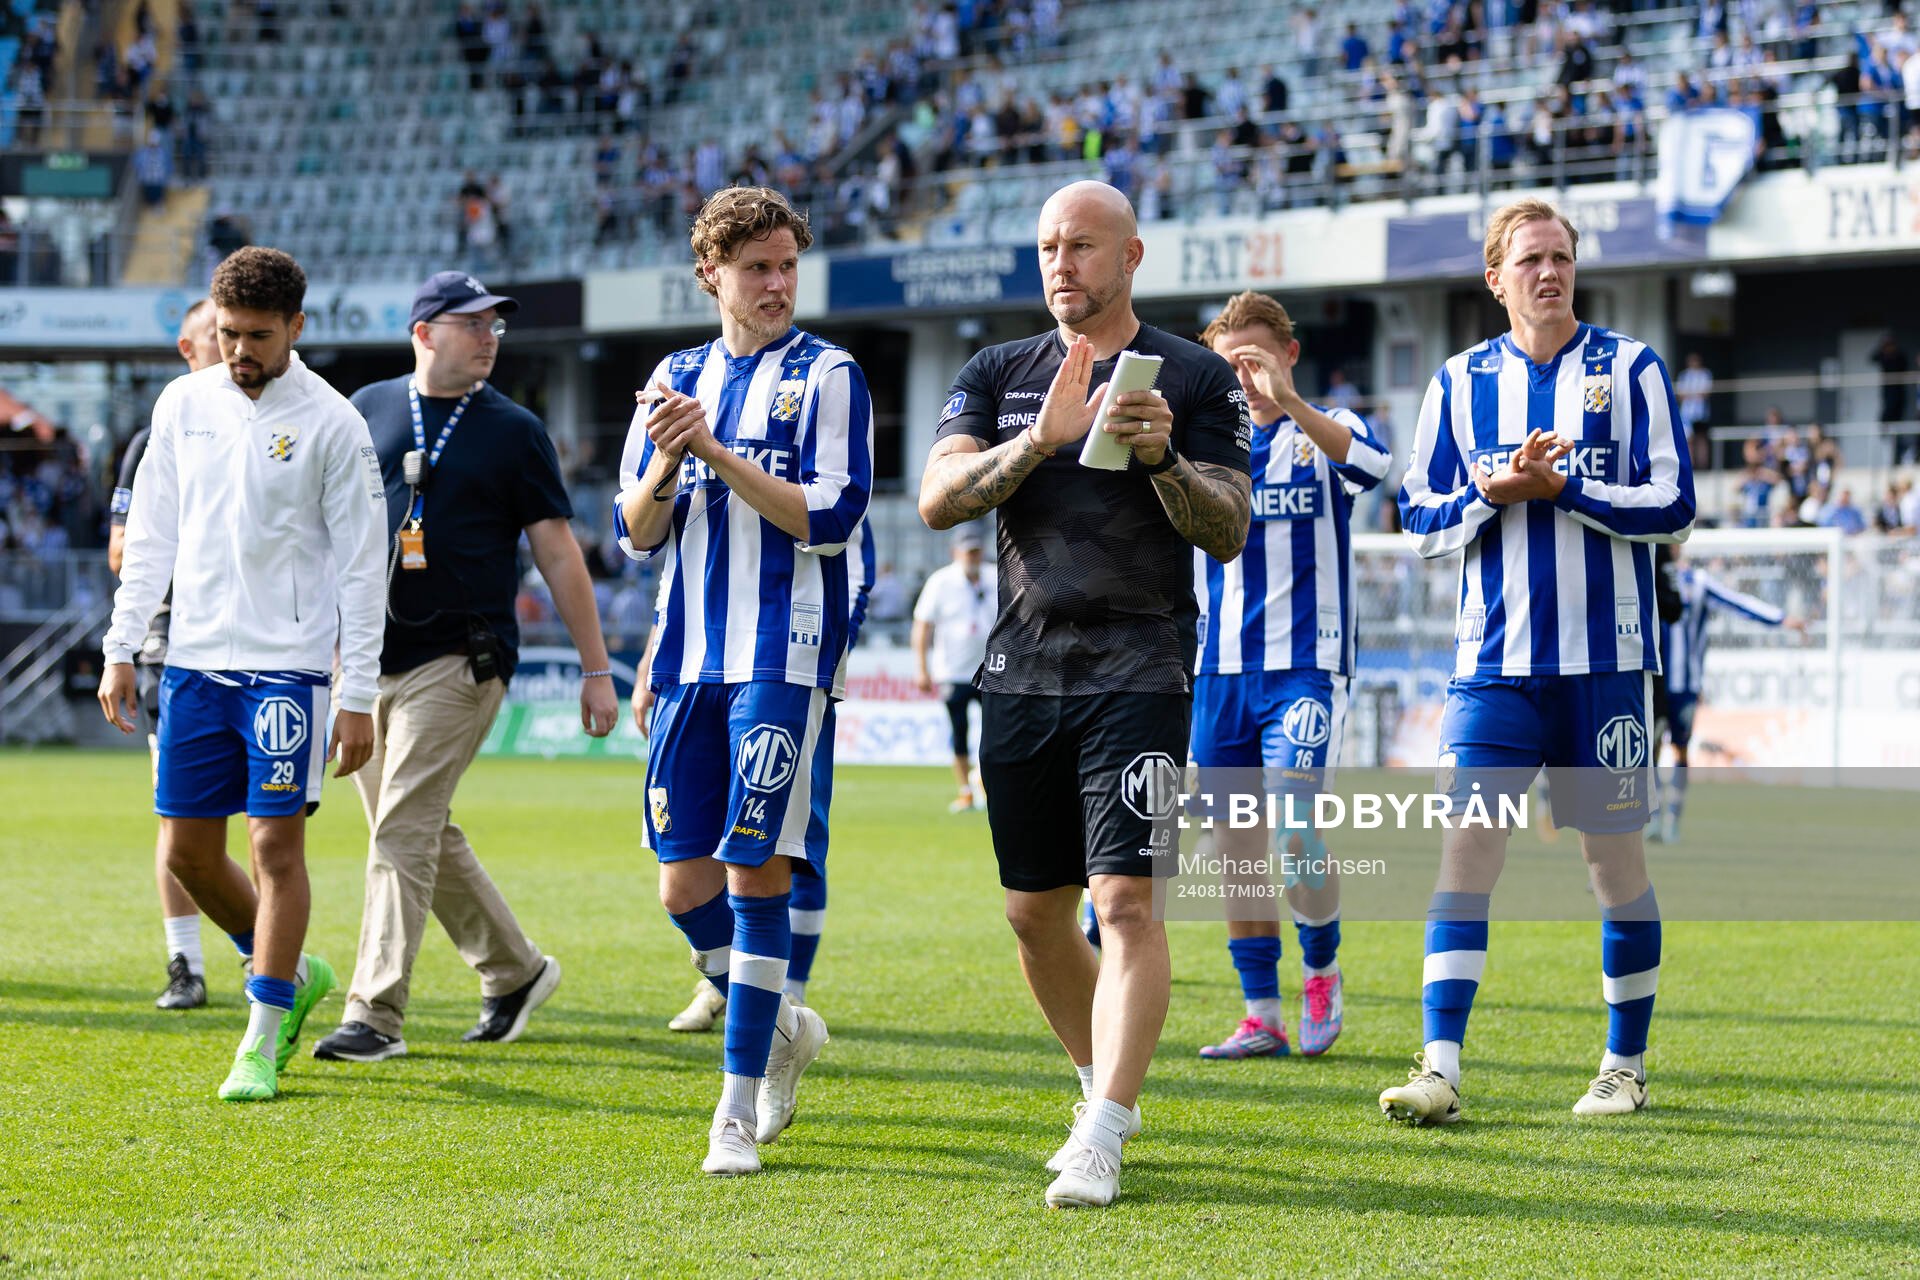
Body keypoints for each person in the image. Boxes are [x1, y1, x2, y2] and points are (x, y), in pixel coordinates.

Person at [917, 180, 1252, 1209]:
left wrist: (1161, 456)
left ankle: (1103, 1128)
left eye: (1082, 246)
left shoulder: (1194, 375)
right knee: (1032, 914)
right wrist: (1039, 440)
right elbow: (937, 500)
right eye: (1048, 247)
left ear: (1131, 256)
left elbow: (1229, 526)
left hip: (1142, 668)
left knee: (1126, 902)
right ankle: (1097, 1083)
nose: (1061, 264)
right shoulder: (997, 371)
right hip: (1021, 671)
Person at [1386, 199, 1694, 1126]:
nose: (1549, 273)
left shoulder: (1632, 368)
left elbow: (1674, 503)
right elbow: (1419, 519)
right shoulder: (1457, 382)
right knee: (1466, 855)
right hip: (1494, 671)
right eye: (1530, 260)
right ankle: (1440, 1068)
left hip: (1606, 666)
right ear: (1496, 278)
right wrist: (1493, 493)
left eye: (1561, 257)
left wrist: (1567, 489)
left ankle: (1624, 1067)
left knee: (1613, 867)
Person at [614, 186, 871, 1177]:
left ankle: (733, 1110)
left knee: (754, 873)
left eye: (786, 266)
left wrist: (715, 448)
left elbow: (831, 517)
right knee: (682, 883)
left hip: (784, 656)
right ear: (710, 275)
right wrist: (668, 461)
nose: (776, 284)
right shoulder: (671, 378)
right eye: (756, 267)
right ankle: (782, 1023)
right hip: (690, 659)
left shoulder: (830, 375)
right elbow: (636, 531)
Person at [98, 247, 387, 1101]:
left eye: (258, 335)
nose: (239, 350)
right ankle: (290, 974)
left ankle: (260, 1040)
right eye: (227, 333)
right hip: (191, 665)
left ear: (296, 327)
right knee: (189, 855)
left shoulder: (334, 422)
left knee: (273, 848)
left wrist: (358, 693)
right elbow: (151, 538)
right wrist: (121, 645)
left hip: (287, 672)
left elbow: (363, 569)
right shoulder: (182, 404)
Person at [308, 272, 618, 1064]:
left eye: (495, 326)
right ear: (424, 333)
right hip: (367, 660)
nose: (489, 338)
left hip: (464, 657)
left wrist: (596, 669)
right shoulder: (366, 408)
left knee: (402, 828)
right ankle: (516, 972)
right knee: (413, 832)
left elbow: (558, 552)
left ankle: (374, 1015)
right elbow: (330, 534)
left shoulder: (514, 429)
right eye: (472, 323)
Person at [1191, 291, 1391, 1062]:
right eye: (1229, 364)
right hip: (1221, 671)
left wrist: (1292, 402)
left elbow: (1376, 467)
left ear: (1288, 355)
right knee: (1236, 848)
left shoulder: (1325, 429)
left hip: (1305, 667)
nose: (1243, 377)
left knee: (1296, 829)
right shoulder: (1209, 448)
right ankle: (1261, 1013)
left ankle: (1321, 969)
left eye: (1254, 360)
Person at [647, 499, 875, 1031]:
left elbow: (855, 576)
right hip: (703, 669)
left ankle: (788, 988)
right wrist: (650, 662)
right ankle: (747, 996)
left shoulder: (822, 472)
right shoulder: (701, 467)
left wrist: (818, 662)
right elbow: (676, 567)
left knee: (782, 844)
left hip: (790, 670)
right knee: (705, 850)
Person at [107, 298, 223, 1010]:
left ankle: (268, 960)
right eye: (218, 333)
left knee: (269, 825)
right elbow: (123, 551)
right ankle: (187, 964)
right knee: (179, 820)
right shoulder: (158, 435)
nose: (233, 346)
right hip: (173, 650)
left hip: (263, 646)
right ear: (188, 347)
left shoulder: (279, 425)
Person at [1655, 547, 1801, 844]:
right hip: (1653, 683)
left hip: (1686, 686)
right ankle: (1653, 816)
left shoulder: (1697, 582)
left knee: (1680, 750)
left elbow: (1737, 602)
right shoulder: (1648, 578)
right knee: (1650, 751)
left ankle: (1672, 818)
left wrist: (1779, 618)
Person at [911, 525, 997, 813]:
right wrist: (921, 668)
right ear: (955, 552)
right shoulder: (940, 581)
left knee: (996, 733)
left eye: (976, 551)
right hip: (952, 671)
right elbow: (922, 626)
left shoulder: (994, 576)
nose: (973, 556)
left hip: (992, 671)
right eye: (968, 551)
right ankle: (965, 791)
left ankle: (986, 780)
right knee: (959, 732)